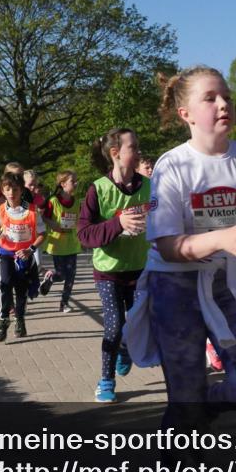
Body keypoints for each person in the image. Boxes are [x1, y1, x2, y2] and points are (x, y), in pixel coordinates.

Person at [124, 65, 236, 472]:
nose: (224, 103)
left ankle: (194, 414)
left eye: (226, 95)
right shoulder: (174, 165)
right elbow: (168, 245)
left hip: (229, 282)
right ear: (186, 113)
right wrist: (221, 239)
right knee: (185, 393)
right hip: (174, 286)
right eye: (211, 97)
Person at [77, 128, 150, 403]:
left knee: (138, 324)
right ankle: (106, 380)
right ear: (115, 153)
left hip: (140, 268)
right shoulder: (98, 189)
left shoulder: (150, 187)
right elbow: (84, 235)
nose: (139, 151)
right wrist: (118, 223)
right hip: (108, 271)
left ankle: (126, 349)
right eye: (133, 147)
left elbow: (164, 219)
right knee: (114, 326)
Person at [0, 172, 46, 342]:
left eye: (15, 189)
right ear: (2, 191)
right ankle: (3, 320)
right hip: (6, 253)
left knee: (21, 288)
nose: (11, 193)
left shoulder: (32, 210)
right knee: (5, 284)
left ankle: (19, 319)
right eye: (7, 189)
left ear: (21, 190)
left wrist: (30, 249)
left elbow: (42, 234)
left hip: (24, 255)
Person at [41, 170, 82, 313]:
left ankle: (64, 303)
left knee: (71, 276)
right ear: (63, 184)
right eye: (73, 181)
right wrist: (53, 224)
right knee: (61, 275)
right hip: (58, 245)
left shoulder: (77, 202)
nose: (76, 183)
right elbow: (44, 217)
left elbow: (80, 220)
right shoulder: (53, 201)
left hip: (72, 244)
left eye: (76, 181)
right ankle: (50, 278)